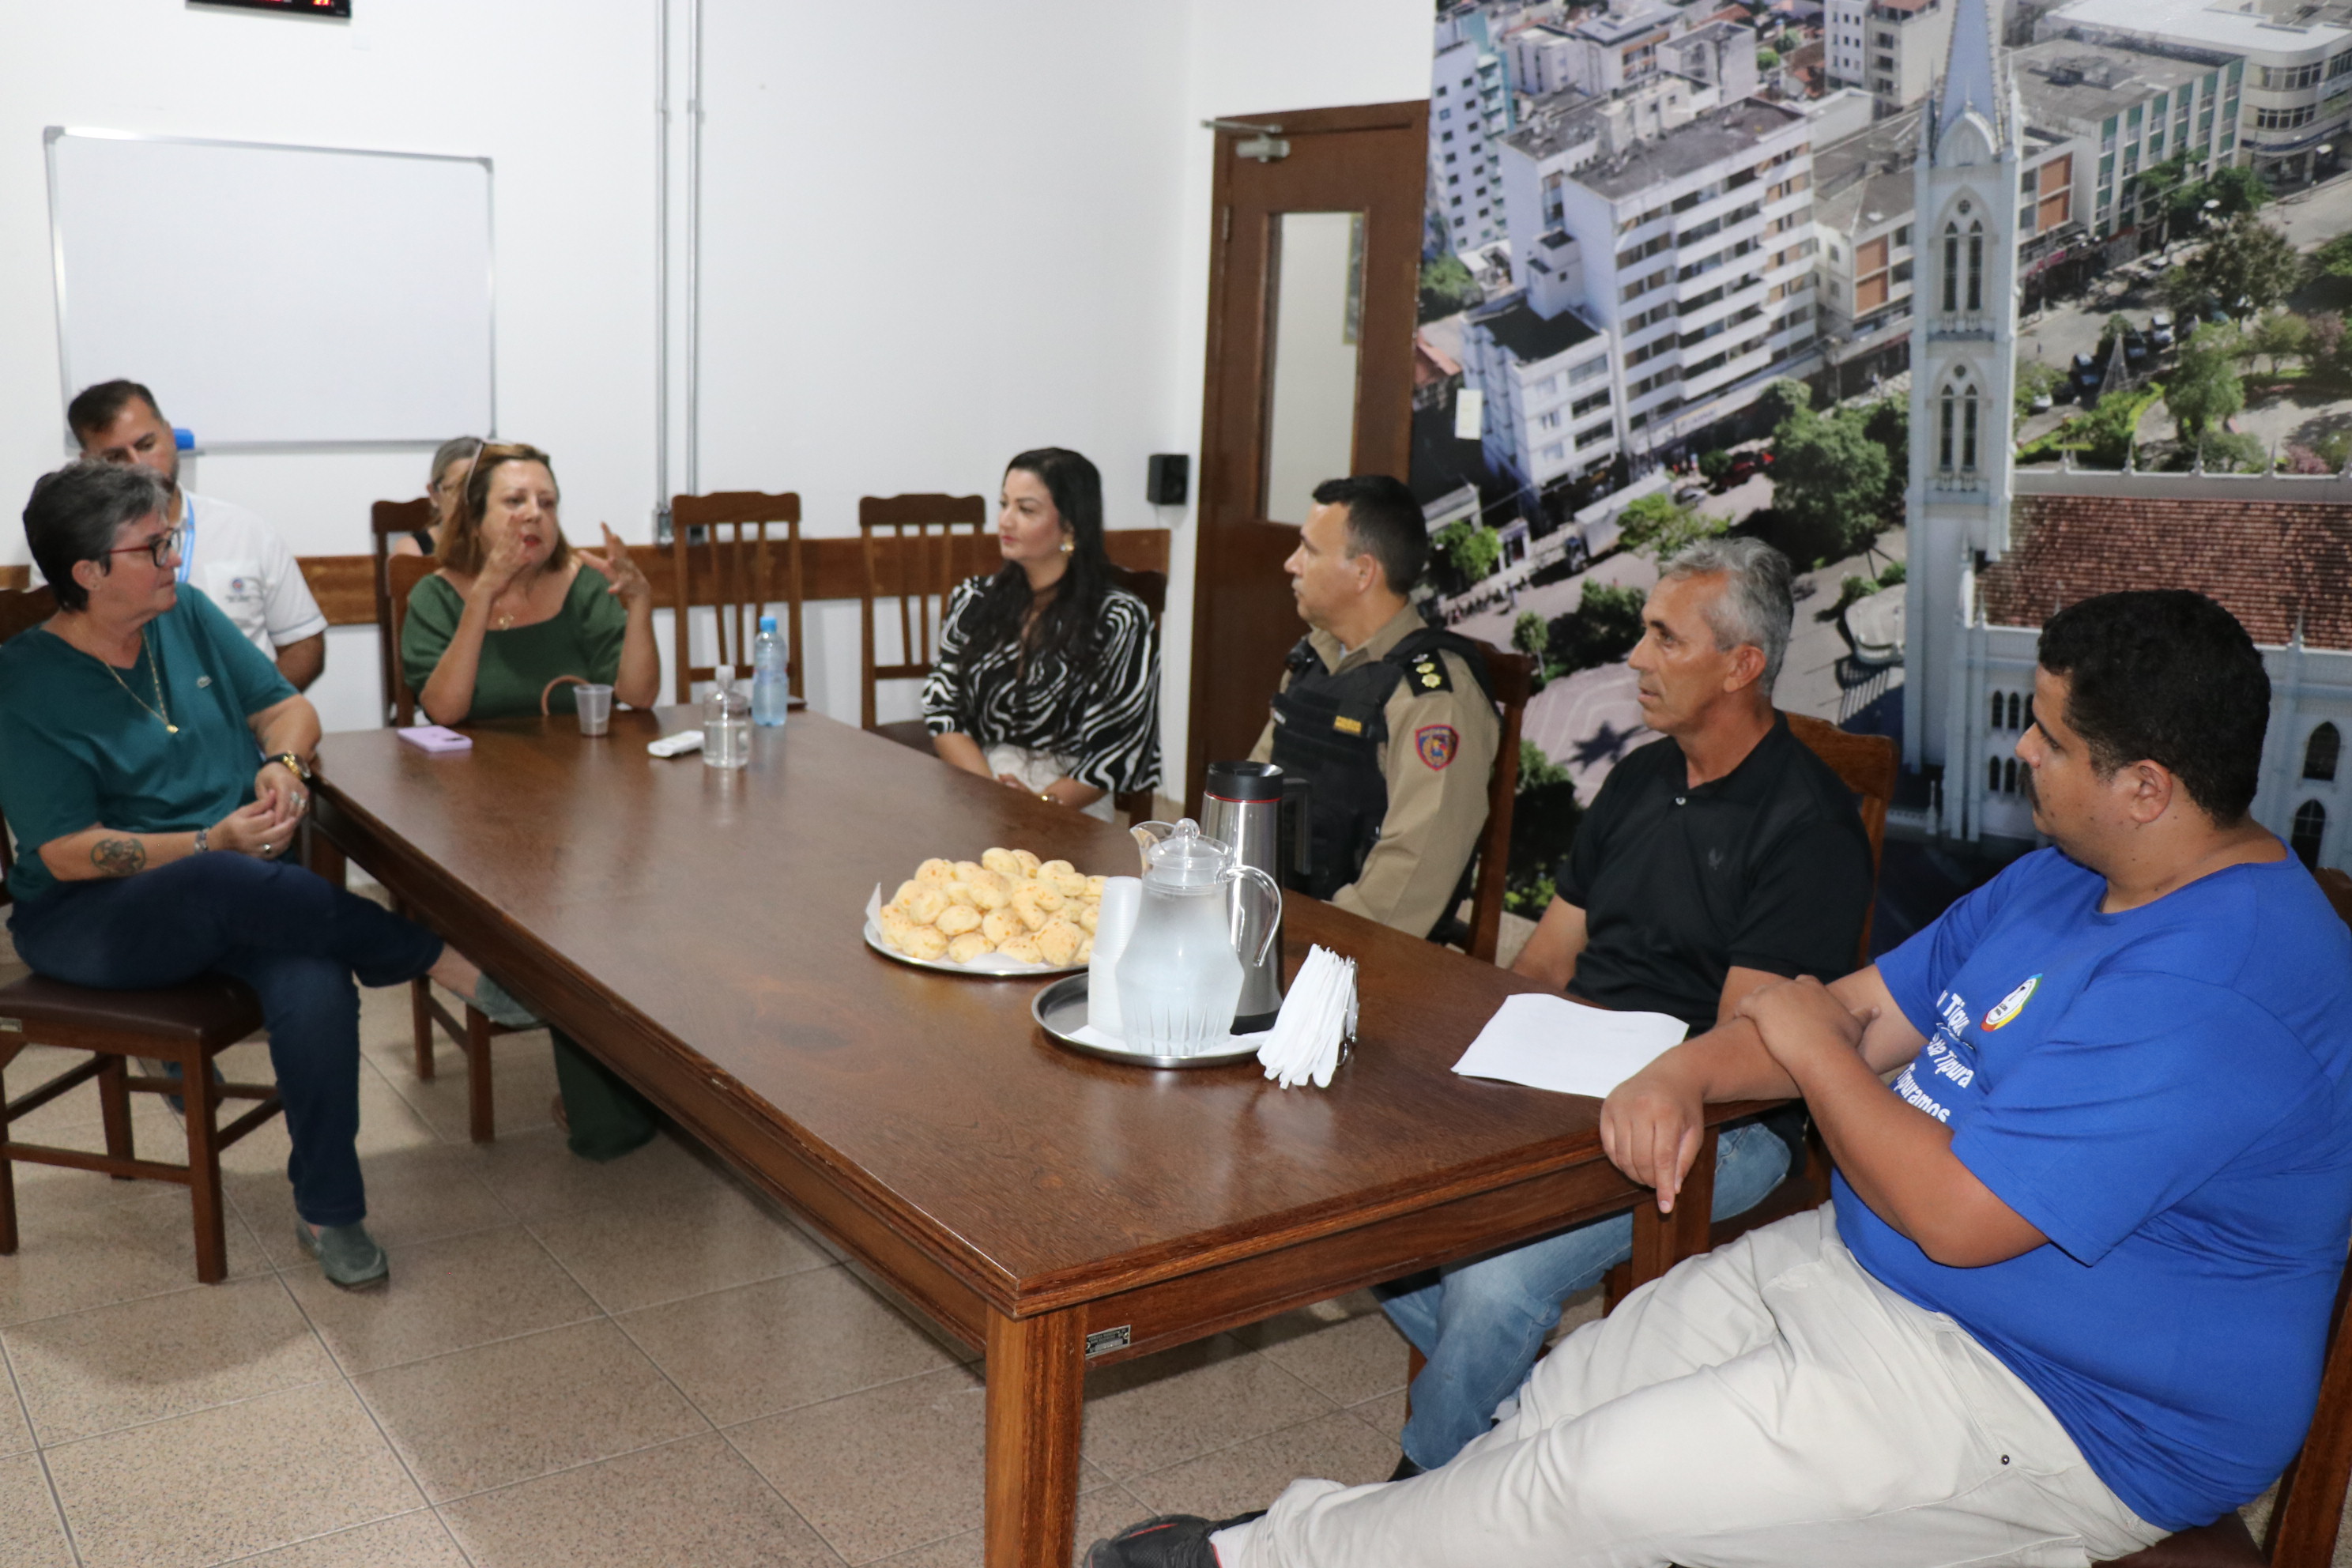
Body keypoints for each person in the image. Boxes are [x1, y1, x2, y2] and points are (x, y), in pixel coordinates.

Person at [1089, 589, 2352, 1568]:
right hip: (1875, 1274)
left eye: (2050, 737)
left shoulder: (2225, 988)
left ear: (2147, 786)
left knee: (1596, 1485)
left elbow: (1956, 1212)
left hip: (2063, 1402)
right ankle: (1329, 1546)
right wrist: (1694, 1065)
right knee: (1570, 1393)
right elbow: (1864, 1009)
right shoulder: (2072, 876)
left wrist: (1802, 1046)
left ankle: (1255, 1554)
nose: (2023, 750)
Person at [1374, 537, 1873, 1476]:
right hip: (1575, 1068)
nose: (1636, 659)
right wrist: (1486, 1064)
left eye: (1663, 638)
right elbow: (1552, 955)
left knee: (1490, 1285)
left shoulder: (1806, 827)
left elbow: (1743, 1050)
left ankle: (1420, 1498)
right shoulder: (1645, 775)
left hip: (1723, 1117)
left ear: (1742, 665)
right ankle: (1535, 1422)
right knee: (1368, 1204)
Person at [0, 464, 527, 1289]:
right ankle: (432, 957)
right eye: (154, 546)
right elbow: (68, 851)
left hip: (239, 889)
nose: (175, 557)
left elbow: (286, 706)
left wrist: (282, 763)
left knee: (313, 976)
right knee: (222, 880)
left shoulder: (186, 617)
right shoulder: (24, 681)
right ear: (88, 573)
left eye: (170, 537)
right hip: (92, 917)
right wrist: (209, 841)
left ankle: (331, 1209)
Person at [399, 442, 662, 1159]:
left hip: (590, 797)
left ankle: (677, 1080)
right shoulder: (437, 595)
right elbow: (445, 709)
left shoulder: (582, 583)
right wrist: (483, 594)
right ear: (475, 517)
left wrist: (639, 606)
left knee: (643, 897)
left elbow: (638, 697)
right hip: (485, 812)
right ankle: (616, 1106)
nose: (534, 516)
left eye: (546, 502)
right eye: (514, 502)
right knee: (567, 921)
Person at [1246, 476, 1497, 941]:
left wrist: (1313, 940)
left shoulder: (1433, 698)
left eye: (1309, 551)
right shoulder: (1314, 659)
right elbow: (1254, 788)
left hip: (1354, 953)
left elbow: (1416, 869)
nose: (1290, 564)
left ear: (1363, 572)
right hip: (1277, 918)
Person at [922, 448, 1160, 820]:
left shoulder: (1119, 617)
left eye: (1026, 510)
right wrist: (991, 792)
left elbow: (1118, 749)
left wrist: (1037, 806)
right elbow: (943, 710)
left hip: (1070, 802)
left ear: (1070, 525)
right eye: (1004, 504)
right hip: (977, 783)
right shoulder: (973, 600)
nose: (1005, 521)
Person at [67, 379, 327, 692]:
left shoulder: (246, 532)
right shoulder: (71, 549)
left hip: (243, 727)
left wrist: (259, 708)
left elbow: (304, 645)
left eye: (147, 445)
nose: (138, 467)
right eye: (115, 458)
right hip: (126, 726)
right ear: (88, 465)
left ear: (169, 435)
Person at [390, 435, 483, 557]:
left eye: (479, 488)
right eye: (457, 489)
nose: (468, 498)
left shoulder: (503, 544)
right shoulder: (413, 549)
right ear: (434, 494)